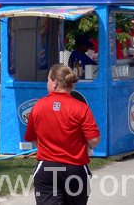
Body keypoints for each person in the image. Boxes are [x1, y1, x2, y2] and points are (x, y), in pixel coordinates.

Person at [25, 64, 100, 204]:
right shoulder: (80, 108)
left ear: (55, 82)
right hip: (75, 168)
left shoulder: (38, 106)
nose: (46, 84)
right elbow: (94, 140)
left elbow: (32, 139)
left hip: (46, 168)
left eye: (48, 80)